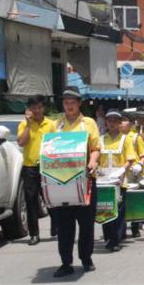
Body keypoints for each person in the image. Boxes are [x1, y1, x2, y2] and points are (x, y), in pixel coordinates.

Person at [52, 87, 101, 277]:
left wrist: (92, 161)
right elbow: (49, 150)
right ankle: (66, 262)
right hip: (61, 182)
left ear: (79, 103)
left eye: (72, 102)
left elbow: (96, 148)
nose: (69, 106)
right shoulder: (56, 125)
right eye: (66, 103)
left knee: (86, 224)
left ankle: (86, 258)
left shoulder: (89, 123)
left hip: (85, 180)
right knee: (64, 225)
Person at [17, 95, 57, 245]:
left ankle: (56, 225)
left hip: (48, 166)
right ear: (29, 109)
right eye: (34, 108)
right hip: (30, 167)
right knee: (31, 200)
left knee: (50, 199)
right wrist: (28, 125)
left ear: (43, 108)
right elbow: (21, 142)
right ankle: (34, 234)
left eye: (39, 107)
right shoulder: (23, 124)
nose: (37, 110)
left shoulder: (51, 124)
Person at [99, 109, 137, 252]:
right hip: (103, 181)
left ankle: (116, 239)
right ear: (106, 122)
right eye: (110, 121)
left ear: (120, 123)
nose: (113, 123)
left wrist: (121, 171)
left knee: (118, 212)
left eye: (116, 121)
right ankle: (108, 237)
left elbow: (130, 159)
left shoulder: (125, 139)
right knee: (105, 208)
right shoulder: (101, 139)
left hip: (120, 181)